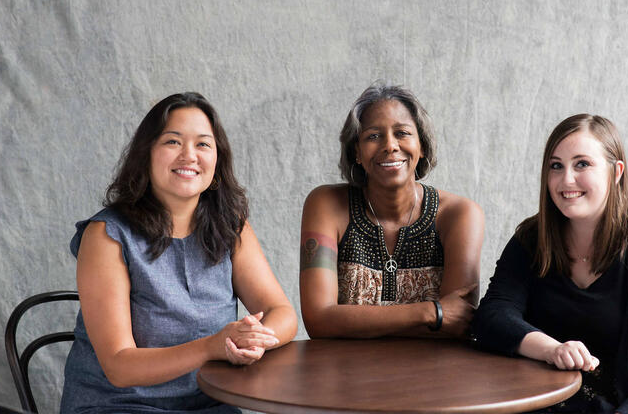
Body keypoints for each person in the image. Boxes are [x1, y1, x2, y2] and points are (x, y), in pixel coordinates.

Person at [60, 92, 297, 413]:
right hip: (120, 404)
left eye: (203, 144)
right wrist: (212, 347)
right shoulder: (106, 234)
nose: (189, 155)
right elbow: (119, 367)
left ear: (217, 160)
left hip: (210, 403)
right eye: (173, 142)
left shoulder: (231, 227)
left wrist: (253, 338)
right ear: (146, 154)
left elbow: (281, 313)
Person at [473, 114, 628, 413]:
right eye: (556, 166)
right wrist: (552, 349)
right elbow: (492, 316)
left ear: (616, 171)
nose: (566, 179)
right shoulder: (532, 239)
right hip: (582, 395)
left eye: (582, 164)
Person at [299, 83, 484, 338]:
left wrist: (348, 321)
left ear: (421, 145)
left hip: (435, 373)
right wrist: (431, 313)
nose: (390, 145)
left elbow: (458, 322)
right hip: (345, 374)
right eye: (373, 136)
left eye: (402, 133)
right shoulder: (326, 205)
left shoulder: (459, 215)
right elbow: (318, 320)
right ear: (357, 153)